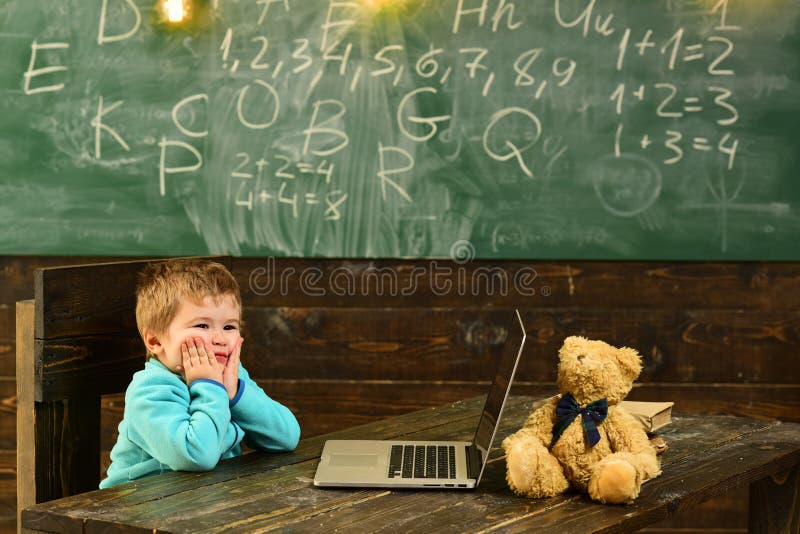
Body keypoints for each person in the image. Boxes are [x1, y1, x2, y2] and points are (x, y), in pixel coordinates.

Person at [100, 258, 300, 488]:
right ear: (155, 340)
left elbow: (287, 437)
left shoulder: (229, 378)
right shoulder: (149, 390)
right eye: (202, 326)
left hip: (205, 501)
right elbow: (197, 455)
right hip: (135, 508)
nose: (219, 339)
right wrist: (209, 386)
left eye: (229, 327)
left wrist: (235, 395)